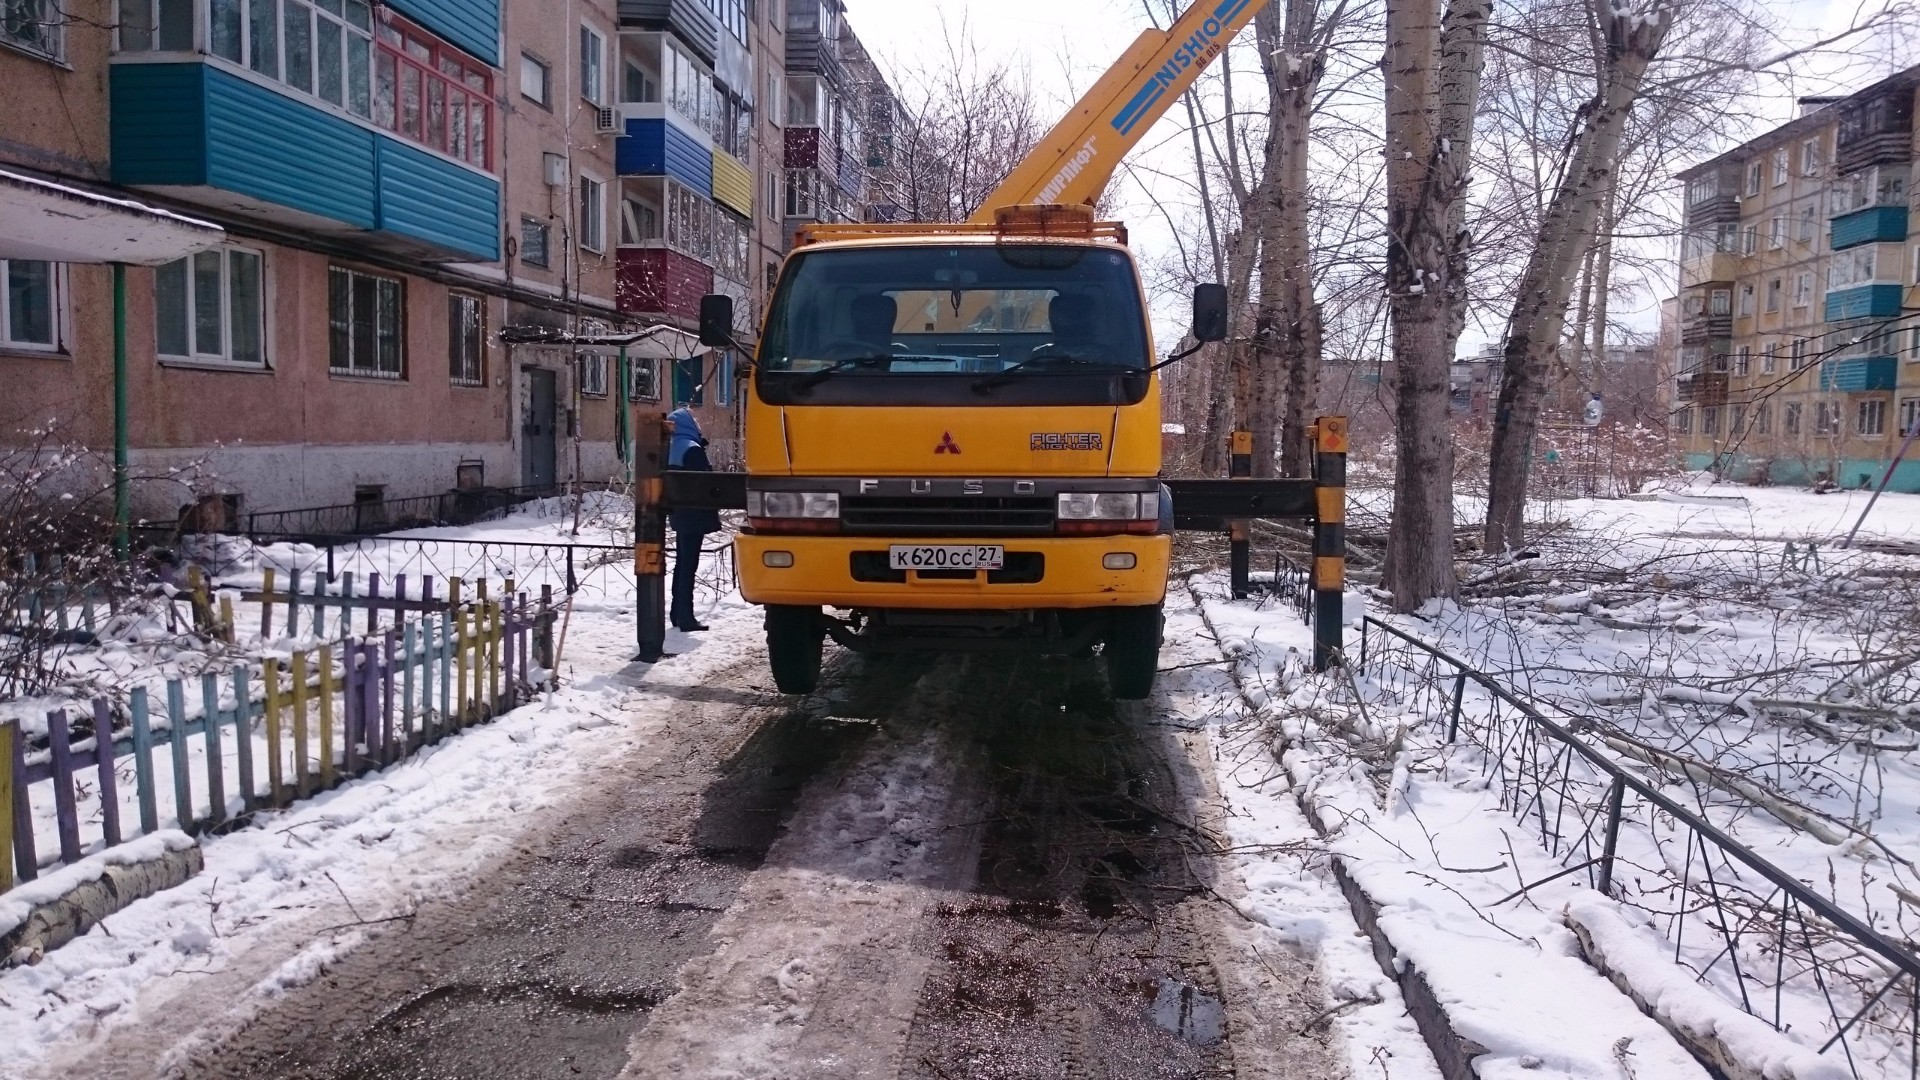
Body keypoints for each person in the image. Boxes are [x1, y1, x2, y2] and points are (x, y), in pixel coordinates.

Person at [667, 406, 722, 632]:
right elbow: (704, 483)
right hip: (694, 513)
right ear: (688, 424)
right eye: (695, 420)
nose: (698, 424)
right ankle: (686, 617)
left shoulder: (674, 447)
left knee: (682, 563)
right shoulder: (692, 449)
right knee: (689, 565)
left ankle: (676, 613)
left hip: (680, 513)